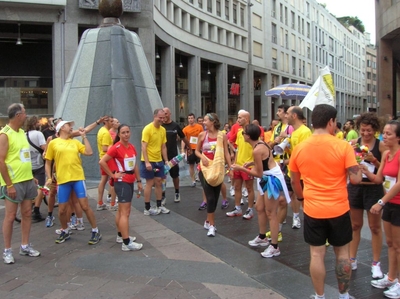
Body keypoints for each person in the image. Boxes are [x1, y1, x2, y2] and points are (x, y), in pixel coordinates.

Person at [289, 104, 362, 299]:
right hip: (339, 208)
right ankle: (344, 295)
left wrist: (302, 198)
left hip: (313, 209)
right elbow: (356, 179)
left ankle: (319, 296)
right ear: (331, 122)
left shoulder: (300, 148)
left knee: (316, 254)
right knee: (342, 254)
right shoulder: (343, 145)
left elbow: (294, 181)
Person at [233, 124, 290, 257]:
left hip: (271, 178)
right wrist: (252, 164)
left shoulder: (257, 149)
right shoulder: (259, 144)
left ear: (248, 136)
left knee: (271, 213)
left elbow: (258, 174)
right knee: (259, 207)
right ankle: (262, 236)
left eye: (243, 133)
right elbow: (266, 160)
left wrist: (241, 168)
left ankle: (275, 246)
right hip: (266, 176)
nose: (242, 135)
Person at [45, 120, 102, 245]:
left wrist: (84, 136)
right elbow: (48, 162)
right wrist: (49, 177)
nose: (71, 127)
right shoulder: (53, 143)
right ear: (61, 129)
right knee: (61, 210)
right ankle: (65, 230)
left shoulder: (75, 142)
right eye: (68, 125)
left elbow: (89, 152)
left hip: (77, 178)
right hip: (63, 180)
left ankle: (95, 230)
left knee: (85, 206)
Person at [362, 120, 400, 298]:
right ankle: (391, 277)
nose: (384, 136)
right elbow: (378, 179)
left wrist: (381, 202)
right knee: (391, 244)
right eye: (384, 133)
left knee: (399, 246)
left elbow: (399, 184)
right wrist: (363, 168)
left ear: (398, 137)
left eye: (389, 134)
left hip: (397, 204)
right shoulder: (386, 156)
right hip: (390, 203)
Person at [0, 103, 41, 264]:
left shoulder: (22, 133)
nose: (26, 116)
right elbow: (1, 161)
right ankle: (7, 250)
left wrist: (31, 176)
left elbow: (23, 157)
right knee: (10, 216)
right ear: (18, 115)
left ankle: (25, 245)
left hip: (26, 180)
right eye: (24, 113)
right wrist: (9, 184)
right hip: (13, 182)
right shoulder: (5, 134)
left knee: (26, 213)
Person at [347, 112, 385, 279]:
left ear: (375, 130)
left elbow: (384, 170)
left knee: (375, 227)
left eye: (369, 130)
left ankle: (376, 263)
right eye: (363, 130)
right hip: (356, 187)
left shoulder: (380, 146)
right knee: (355, 225)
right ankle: (352, 258)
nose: (366, 133)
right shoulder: (354, 144)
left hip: (373, 188)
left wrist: (374, 160)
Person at [99, 124, 143, 251]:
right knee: (125, 212)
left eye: (128, 132)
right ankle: (126, 242)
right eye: (123, 132)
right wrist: (112, 174)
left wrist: (139, 180)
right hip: (121, 181)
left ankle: (120, 236)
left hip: (129, 180)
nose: (126, 134)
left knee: (121, 211)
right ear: (119, 134)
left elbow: (134, 165)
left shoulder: (132, 147)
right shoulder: (115, 147)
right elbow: (102, 161)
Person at [195, 113, 232, 237]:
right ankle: (212, 225)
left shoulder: (222, 135)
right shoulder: (202, 135)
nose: (203, 122)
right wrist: (202, 157)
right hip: (204, 169)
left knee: (215, 198)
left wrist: (230, 166)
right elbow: (196, 150)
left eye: (205, 120)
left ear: (212, 122)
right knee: (210, 197)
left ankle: (207, 220)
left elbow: (226, 152)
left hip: (218, 168)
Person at [266, 104, 294, 242]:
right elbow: (271, 144)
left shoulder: (291, 128)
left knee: (284, 200)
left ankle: (281, 227)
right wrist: (274, 142)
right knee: (276, 199)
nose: (278, 113)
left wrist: (287, 138)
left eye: (280, 111)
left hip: (286, 165)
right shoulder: (276, 127)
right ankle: (276, 229)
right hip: (275, 166)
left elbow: (294, 145)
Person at [226, 110, 256, 220]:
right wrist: (234, 163)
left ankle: (250, 209)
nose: (238, 119)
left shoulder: (253, 132)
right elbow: (238, 149)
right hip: (239, 164)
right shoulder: (239, 132)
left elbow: (257, 147)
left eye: (240, 118)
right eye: (238, 117)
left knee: (249, 188)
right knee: (237, 186)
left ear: (247, 119)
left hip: (248, 165)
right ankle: (237, 208)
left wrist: (253, 162)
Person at [286, 106, 312, 229]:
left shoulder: (305, 131)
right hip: (292, 172)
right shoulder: (294, 132)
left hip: (302, 175)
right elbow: (294, 151)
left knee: (304, 201)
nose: (285, 116)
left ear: (294, 116)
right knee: (282, 200)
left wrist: (290, 160)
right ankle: (278, 230)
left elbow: (305, 154)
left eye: (287, 113)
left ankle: (313, 226)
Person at [140, 109, 170, 216]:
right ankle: (147, 208)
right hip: (149, 161)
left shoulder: (162, 130)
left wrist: (166, 160)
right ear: (155, 116)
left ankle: (159, 205)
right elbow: (144, 146)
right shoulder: (147, 129)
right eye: (160, 118)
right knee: (149, 183)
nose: (162, 120)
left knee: (159, 181)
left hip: (159, 160)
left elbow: (163, 147)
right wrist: (147, 162)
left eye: (163, 118)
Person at [162, 107, 191, 204]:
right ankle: (163, 195)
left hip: (173, 156)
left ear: (170, 114)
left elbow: (183, 137)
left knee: (175, 175)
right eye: (163, 113)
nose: (164, 116)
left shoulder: (175, 126)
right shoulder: (160, 126)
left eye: (166, 113)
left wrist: (189, 147)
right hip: (161, 156)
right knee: (162, 177)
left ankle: (177, 192)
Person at [26, 115, 47, 222]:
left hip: (27, 166)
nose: (40, 123)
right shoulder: (38, 134)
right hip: (38, 165)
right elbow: (44, 148)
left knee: (30, 188)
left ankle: (27, 210)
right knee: (41, 187)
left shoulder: (24, 135)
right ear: (35, 123)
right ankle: (37, 211)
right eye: (39, 122)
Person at [96, 115, 114, 211]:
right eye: (111, 121)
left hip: (102, 158)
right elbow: (105, 148)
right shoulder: (106, 133)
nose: (112, 123)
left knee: (104, 180)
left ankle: (100, 202)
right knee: (114, 179)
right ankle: (112, 202)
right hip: (107, 160)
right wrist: (114, 148)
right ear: (106, 122)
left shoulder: (101, 131)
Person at [182, 113, 204, 188]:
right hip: (190, 149)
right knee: (191, 165)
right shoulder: (185, 129)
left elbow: (202, 137)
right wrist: (183, 150)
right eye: (189, 118)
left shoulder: (199, 127)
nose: (190, 120)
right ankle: (193, 180)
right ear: (187, 119)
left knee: (200, 165)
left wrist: (202, 147)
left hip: (198, 148)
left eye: (192, 118)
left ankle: (201, 179)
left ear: (194, 119)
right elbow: (183, 139)